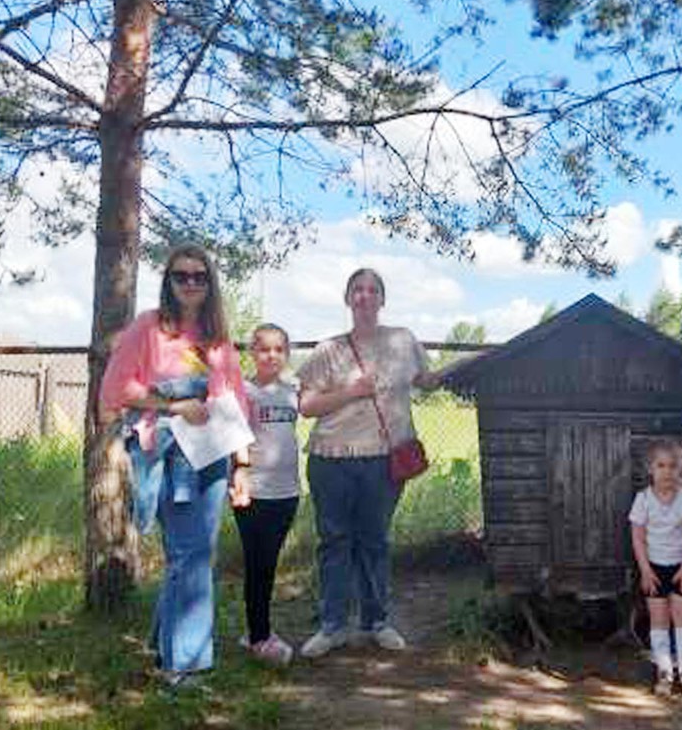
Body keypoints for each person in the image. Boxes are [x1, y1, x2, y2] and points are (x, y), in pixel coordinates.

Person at [99, 242, 250, 687]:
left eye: (199, 277)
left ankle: (165, 644)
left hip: (212, 453)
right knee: (191, 554)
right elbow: (116, 390)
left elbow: (235, 400)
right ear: (168, 281)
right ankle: (185, 665)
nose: (190, 283)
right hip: (166, 454)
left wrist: (243, 465)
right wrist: (175, 404)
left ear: (210, 284)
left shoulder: (216, 336)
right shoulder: (149, 327)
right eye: (181, 276)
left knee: (192, 554)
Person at [296, 268, 439, 658]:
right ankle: (332, 626)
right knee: (334, 542)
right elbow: (306, 407)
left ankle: (377, 622)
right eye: (357, 289)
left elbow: (427, 380)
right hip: (332, 459)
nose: (364, 296)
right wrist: (351, 392)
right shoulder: (328, 350)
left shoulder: (403, 340)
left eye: (372, 289)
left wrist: (468, 371)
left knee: (374, 541)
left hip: (382, 462)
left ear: (382, 299)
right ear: (347, 298)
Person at [232, 323, 301, 667]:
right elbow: (236, 437)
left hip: (287, 492)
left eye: (279, 349)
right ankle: (260, 637)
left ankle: (256, 630)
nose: (271, 355)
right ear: (252, 353)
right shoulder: (244, 391)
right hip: (253, 492)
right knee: (257, 564)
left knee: (269, 565)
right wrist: (240, 474)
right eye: (264, 349)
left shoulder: (294, 390)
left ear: (286, 354)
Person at [630, 439, 682, 697]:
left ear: (681, 469)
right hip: (654, 570)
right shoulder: (643, 500)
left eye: (673, 466)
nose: (667, 471)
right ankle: (664, 672)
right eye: (661, 465)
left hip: (681, 569)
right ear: (651, 469)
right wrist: (646, 571)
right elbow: (637, 538)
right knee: (659, 621)